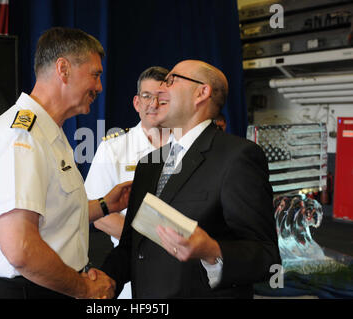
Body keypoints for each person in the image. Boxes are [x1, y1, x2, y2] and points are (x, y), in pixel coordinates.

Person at [0, 27, 131, 299]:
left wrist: (106, 205)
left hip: (48, 285)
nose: (99, 87)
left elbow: (52, 214)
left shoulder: (48, 132)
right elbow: (20, 247)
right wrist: (84, 288)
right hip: (28, 291)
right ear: (63, 69)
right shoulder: (21, 137)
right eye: (95, 74)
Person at [99, 60, 281, 298]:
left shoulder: (238, 157)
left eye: (171, 80)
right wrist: (105, 279)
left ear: (201, 92)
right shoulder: (148, 165)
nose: (161, 90)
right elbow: (133, 244)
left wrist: (213, 251)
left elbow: (266, 257)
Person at [84, 66, 170, 298]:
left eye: (162, 98)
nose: (154, 104)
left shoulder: (189, 147)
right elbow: (97, 213)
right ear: (136, 103)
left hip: (184, 269)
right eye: (147, 96)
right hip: (133, 271)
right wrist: (154, 240)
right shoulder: (113, 148)